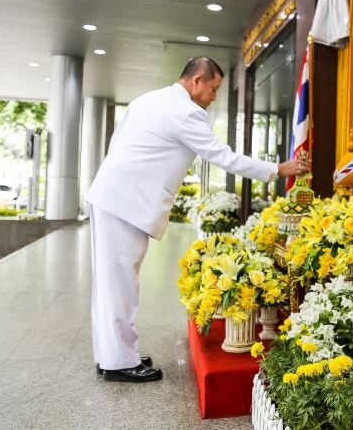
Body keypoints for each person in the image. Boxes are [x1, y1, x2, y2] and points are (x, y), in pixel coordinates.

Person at [84, 57, 308, 384]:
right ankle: (118, 361)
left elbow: (118, 144)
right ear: (197, 80)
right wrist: (277, 169)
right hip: (125, 202)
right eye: (213, 88)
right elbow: (223, 157)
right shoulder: (187, 112)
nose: (214, 96)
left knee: (111, 281)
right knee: (120, 282)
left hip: (113, 195)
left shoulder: (148, 99)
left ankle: (115, 353)